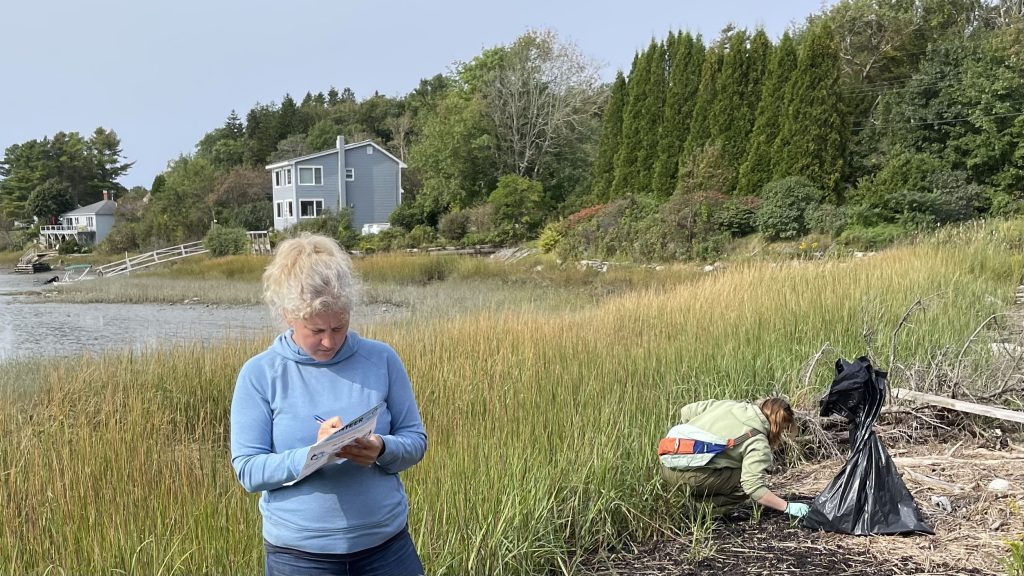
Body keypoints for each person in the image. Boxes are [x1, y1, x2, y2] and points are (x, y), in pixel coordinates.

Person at [230, 233, 428, 576]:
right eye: (316, 329)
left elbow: (415, 441)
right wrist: (314, 455)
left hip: (388, 549)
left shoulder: (381, 359)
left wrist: (381, 448)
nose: (329, 341)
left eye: (339, 326)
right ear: (288, 315)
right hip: (300, 558)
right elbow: (248, 471)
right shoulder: (260, 373)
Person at [659, 397, 810, 519]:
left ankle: (689, 498)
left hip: (666, 464)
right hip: (691, 477)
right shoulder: (758, 442)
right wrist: (787, 507)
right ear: (777, 426)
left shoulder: (729, 405)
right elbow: (753, 488)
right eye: (783, 430)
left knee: (737, 468)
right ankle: (701, 509)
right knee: (744, 483)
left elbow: (686, 411)